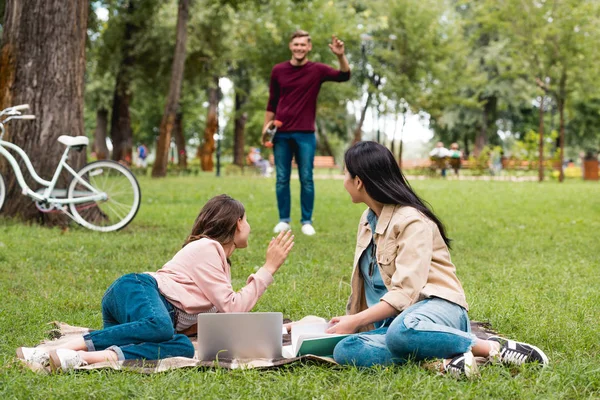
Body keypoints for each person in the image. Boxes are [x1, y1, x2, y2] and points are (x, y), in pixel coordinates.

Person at [326, 141, 548, 378]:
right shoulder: (367, 220)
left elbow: (405, 293)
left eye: (345, 174)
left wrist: (356, 320)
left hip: (436, 310)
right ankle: (443, 361)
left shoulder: (412, 221)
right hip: (394, 325)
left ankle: (492, 348)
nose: (344, 181)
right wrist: (348, 323)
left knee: (401, 333)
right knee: (346, 349)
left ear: (358, 181)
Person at [16, 194, 294, 372]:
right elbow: (233, 308)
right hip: (136, 290)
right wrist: (268, 268)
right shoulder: (208, 248)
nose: (250, 227)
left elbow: (226, 321)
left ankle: (80, 359)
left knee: (185, 347)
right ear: (235, 223)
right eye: (247, 220)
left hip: (145, 323)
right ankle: (61, 348)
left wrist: (278, 328)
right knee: (161, 326)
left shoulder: (221, 265)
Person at [263, 30, 351, 236]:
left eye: (303, 45)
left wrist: (340, 55)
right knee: (282, 178)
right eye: (296, 45)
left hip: (305, 133)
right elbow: (272, 101)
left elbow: (344, 75)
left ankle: (306, 221)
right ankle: (283, 220)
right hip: (281, 132)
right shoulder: (278, 70)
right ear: (290, 46)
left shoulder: (317, 70)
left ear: (309, 47)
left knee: (306, 178)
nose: (299, 48)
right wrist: (265, 127)